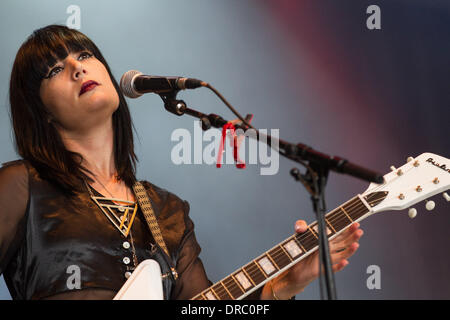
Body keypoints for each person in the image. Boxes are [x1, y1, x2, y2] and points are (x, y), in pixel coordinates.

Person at [0, 25, 363, 300]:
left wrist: (283, 284)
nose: (76, 68)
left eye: (83, 56)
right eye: (53, 70)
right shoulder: (22, 187)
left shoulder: (166, 212)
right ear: (41, 112)